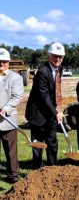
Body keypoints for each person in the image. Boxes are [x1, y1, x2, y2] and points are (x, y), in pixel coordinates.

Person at [25, 42, 65, 168]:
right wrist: (56, 113)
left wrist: (54, 110)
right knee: (38, 144)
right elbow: (44, 96)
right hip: (37, 113)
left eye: (60, 56)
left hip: (49, 112)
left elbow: (54, 92)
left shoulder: (59, 69)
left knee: (52, 142)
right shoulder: (43, 72)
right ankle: (37, 170)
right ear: (49, 56)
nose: (58, 59)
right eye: (55, 56)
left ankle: (52, 168)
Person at [0, 48, 24, 183]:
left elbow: (16, 97)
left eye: (4, 61)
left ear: (8, 62)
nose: (1, 63)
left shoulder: (16, 78)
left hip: (8, 120)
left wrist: (5, 109)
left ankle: (13, 176)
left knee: (10, 151)